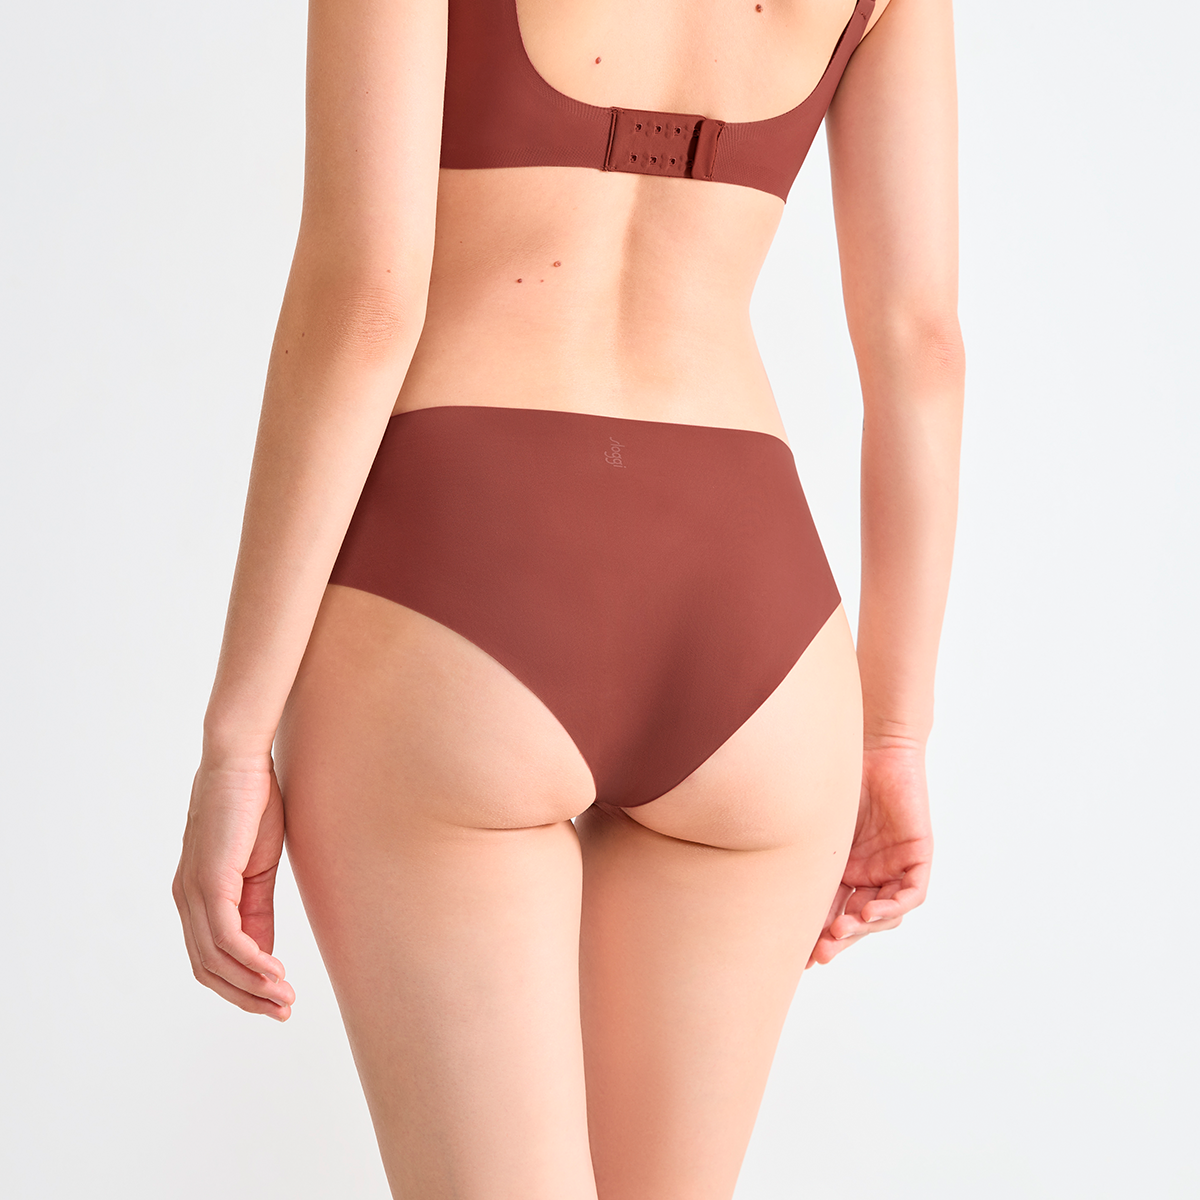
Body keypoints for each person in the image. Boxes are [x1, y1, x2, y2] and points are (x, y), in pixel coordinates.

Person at [173, 0, 962, 1195]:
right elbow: (922, 344)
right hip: (758, 627)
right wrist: (895, 733)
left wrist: (235, 743)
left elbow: (366, 303)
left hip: (460, 582)